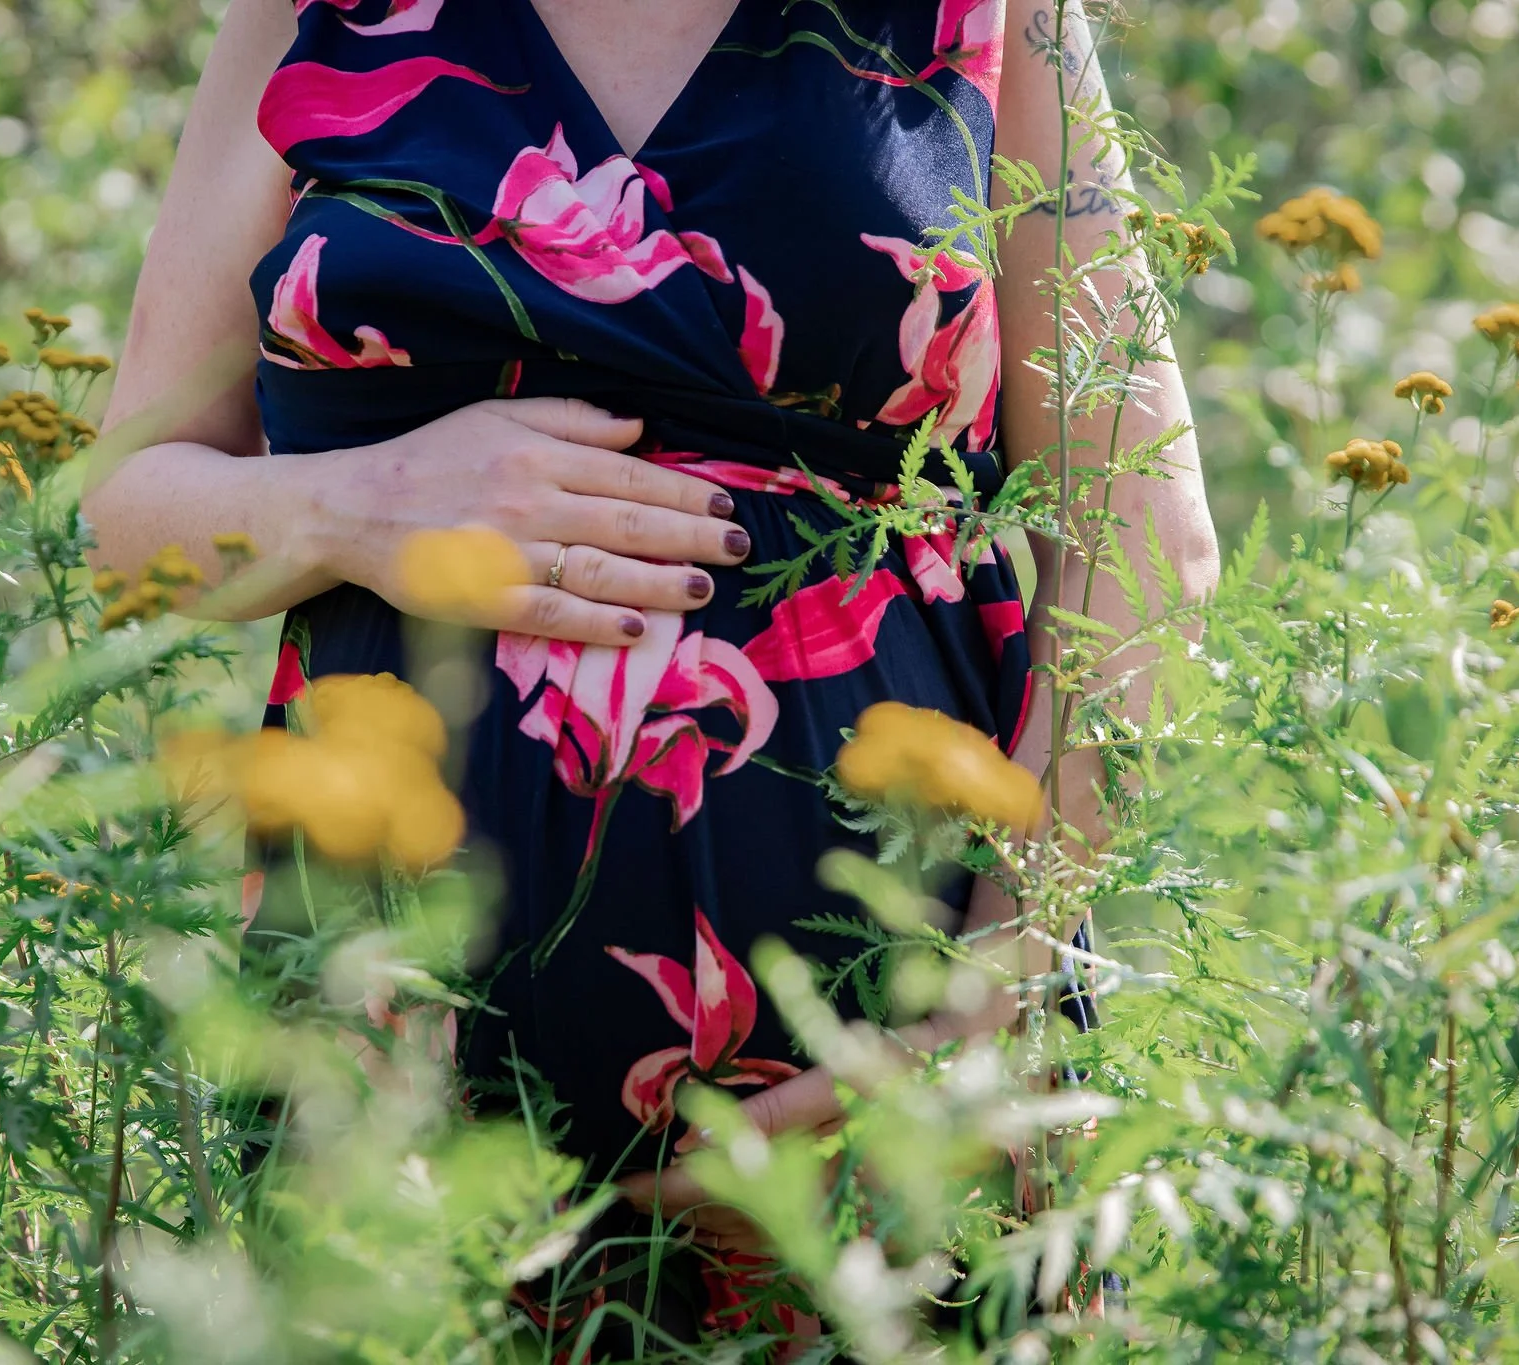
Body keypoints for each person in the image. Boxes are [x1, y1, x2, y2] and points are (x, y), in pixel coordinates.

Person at [86, 0, 1217, 1335]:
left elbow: (1143, 543)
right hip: (386, 1053)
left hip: (906, 1058)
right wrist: (365, 504)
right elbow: (124, 522)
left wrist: (988, 1011)